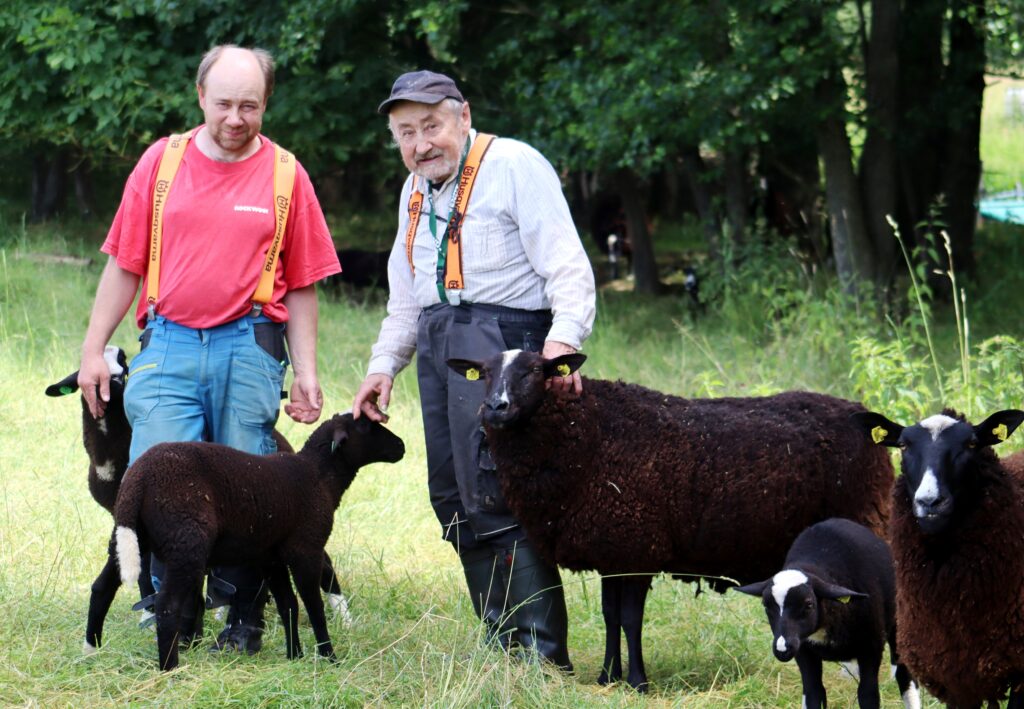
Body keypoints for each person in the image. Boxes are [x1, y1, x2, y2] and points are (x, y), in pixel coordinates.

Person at [77, 45, 340, 653]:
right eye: (223, 103)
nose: (235, 118)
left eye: (250, 105)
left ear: (265, 104)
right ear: (200, 98)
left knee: (251, 476)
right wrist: (94, 349)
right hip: (166, 341)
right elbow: (124, 264)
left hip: (248, 343)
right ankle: (170, 605)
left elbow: (301, 284)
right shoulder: (160, 164)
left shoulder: (286, 175)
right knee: (160, 470)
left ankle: (244, 615)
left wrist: (305, 372)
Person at [352, 70, 596, 669]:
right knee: (453, 496)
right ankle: (501, 644)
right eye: (405, 133)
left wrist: (559, 357)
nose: (420, 144)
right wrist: (384, 367)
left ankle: (542, 656)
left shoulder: (514, 164)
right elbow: (406, 297)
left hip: (506, 343)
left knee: (500, 492)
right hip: (441, 344)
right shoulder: (414, 192)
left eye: (430, 126)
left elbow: (570, 271)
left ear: (462, 116)